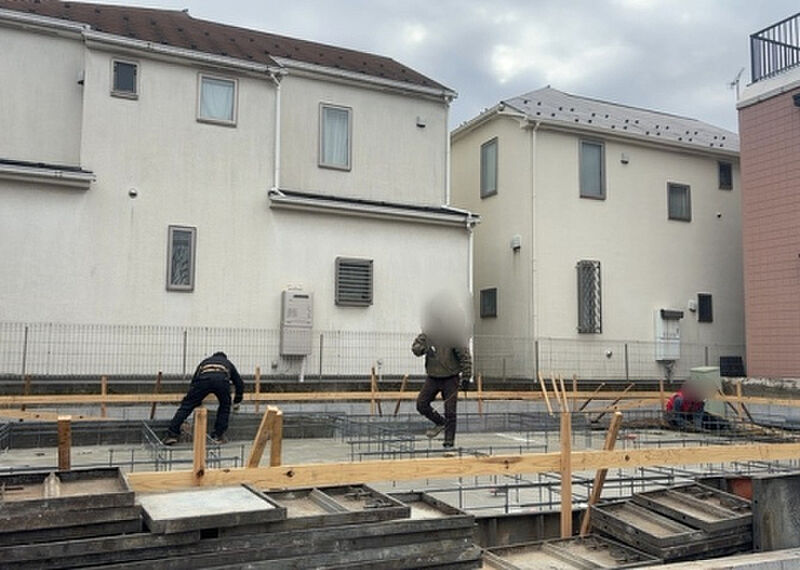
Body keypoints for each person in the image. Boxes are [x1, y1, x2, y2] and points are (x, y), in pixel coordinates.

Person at [163, 351, 244, 445]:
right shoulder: (228, 363)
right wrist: (237, 400)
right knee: (225, 406)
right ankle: (218, 436)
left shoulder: (205, 362)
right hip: (222, 380)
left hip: (203, 380)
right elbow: (239, 383)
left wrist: (195, 398)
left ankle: (172, 434)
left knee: (187, 406)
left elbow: (194, 380)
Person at [412, 333, 472, 449]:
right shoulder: (428, 333)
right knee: (421, 404)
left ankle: (449, 441)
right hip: (432, 376)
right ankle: (440, 422)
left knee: (450, 411)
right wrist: (422, 348)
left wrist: (466, 377)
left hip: (451, 377)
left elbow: (464, 355)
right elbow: (416, 348)